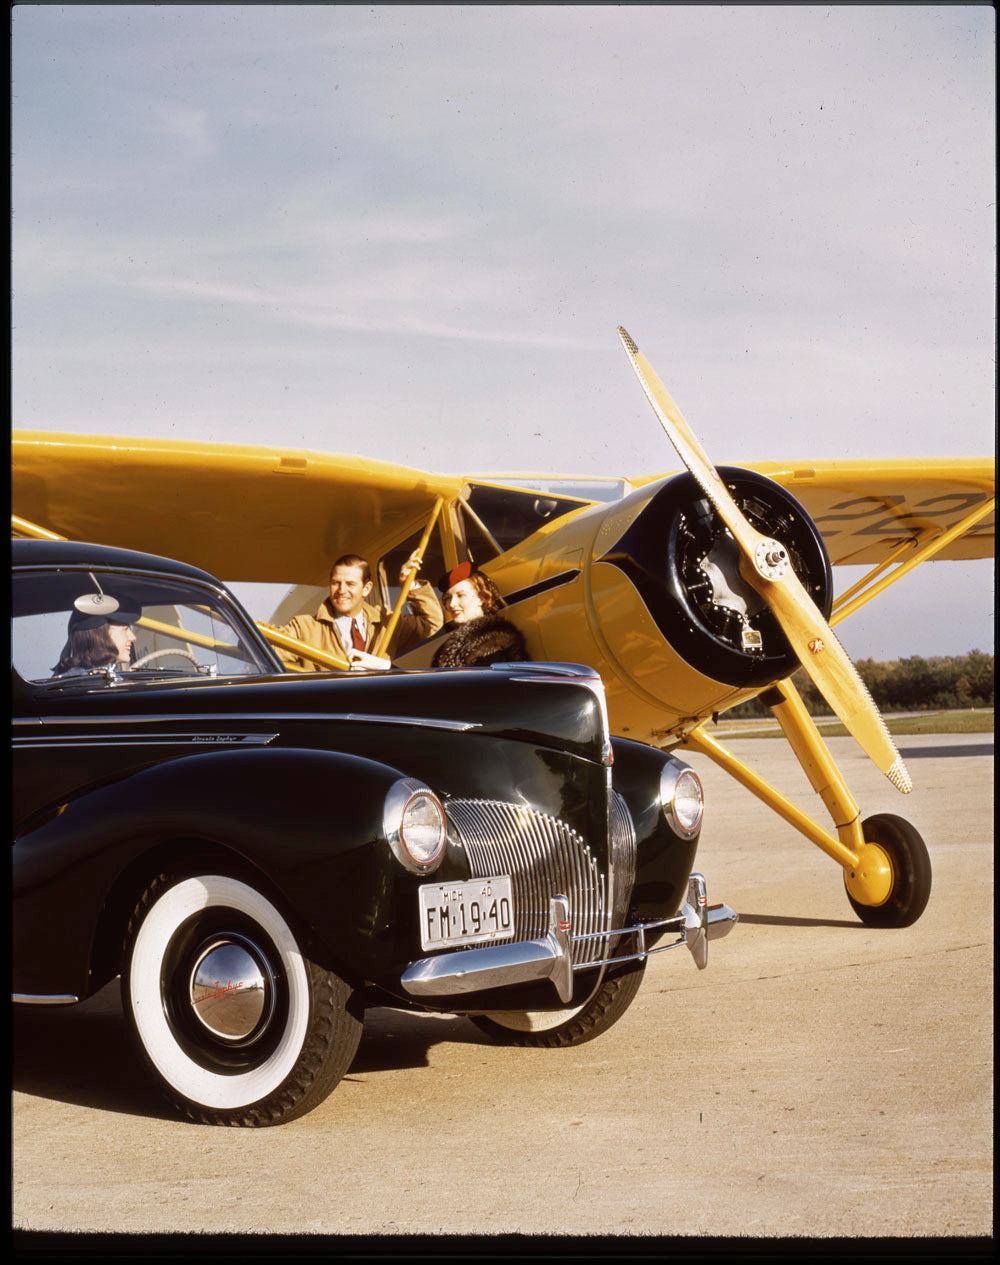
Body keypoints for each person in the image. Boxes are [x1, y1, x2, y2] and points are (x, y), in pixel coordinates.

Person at [273, 551, 442, 671]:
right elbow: (264, 648)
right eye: (335, 583)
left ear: (366, 589)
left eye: (350, 584)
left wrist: (410, 585)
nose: (341, 590)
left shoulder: (386, 622)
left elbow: (431, 623)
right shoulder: (304, 627)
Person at [431, 562, 528, 667]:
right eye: (448, 598)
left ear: (481, 598)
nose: (452, 604)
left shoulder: (498, 644)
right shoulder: (448, 648)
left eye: (460, 595)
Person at [52, 601, 139, 675]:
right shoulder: (73, 687)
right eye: (125, 629)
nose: (133, 637)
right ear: (101, 635)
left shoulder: (113, 677)